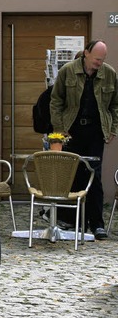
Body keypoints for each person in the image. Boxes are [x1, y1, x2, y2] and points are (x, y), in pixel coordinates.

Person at [50, 40, 118, 240]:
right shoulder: (68, 71)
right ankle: (72, 221)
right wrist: (60, 129)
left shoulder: (109, 74)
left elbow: (115, 105)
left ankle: (97, 224)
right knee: (72, 174)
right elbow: (56, 101)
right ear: (87, 53)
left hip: (96, 131)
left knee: (93, 175)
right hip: (72, 130)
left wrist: (113, 128)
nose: (99, 63)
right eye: (97, 59)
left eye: (102, 59)